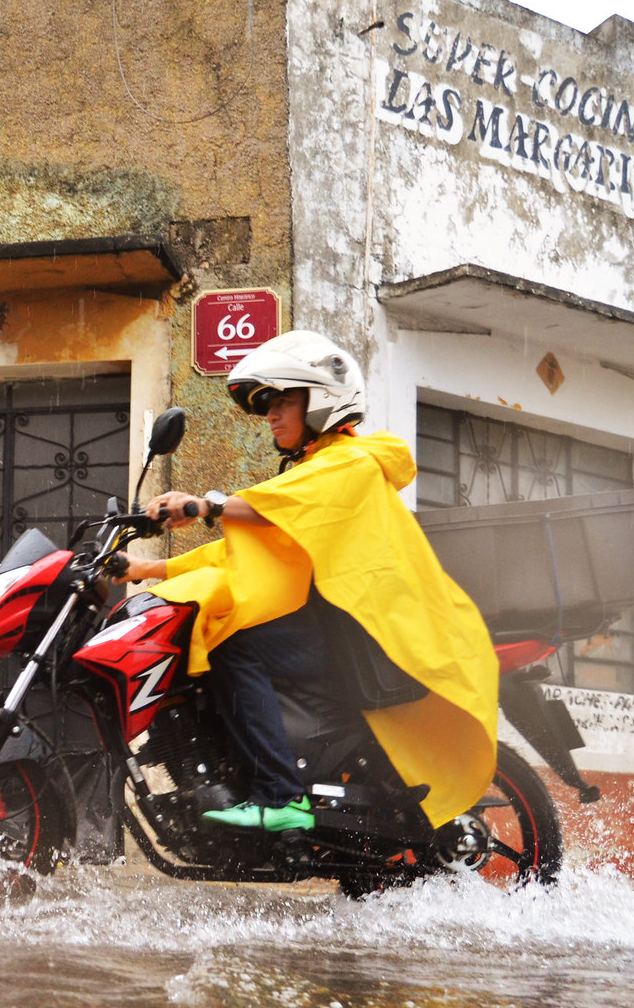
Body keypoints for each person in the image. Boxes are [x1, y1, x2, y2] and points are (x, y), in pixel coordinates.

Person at [112, 331, 500, 836]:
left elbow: (270, 506)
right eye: (268, 406)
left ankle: (281, 796)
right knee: (211, 633)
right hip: (335, 625)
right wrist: (147, 570)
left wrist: (205, 504)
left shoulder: (351, 464)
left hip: (366, 630)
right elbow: (244, 551)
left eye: (283, 402)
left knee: (232, 644)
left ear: (321, 401)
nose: (271, 415)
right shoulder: (317, 468)